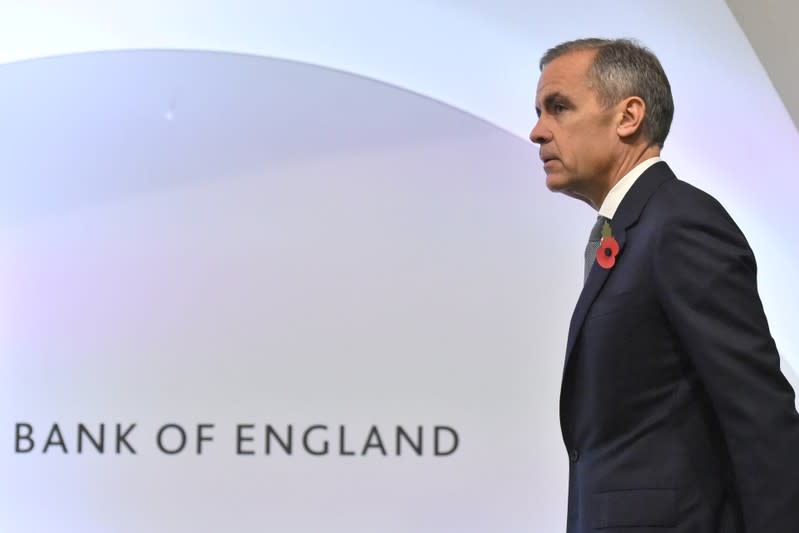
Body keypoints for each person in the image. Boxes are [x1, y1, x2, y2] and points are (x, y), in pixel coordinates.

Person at [529, 38, 799, 532]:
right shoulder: (632, 230)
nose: (537, 131)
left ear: (628, 117)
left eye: (559, 108)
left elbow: (758, 411)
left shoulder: (680, 224)